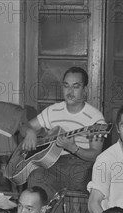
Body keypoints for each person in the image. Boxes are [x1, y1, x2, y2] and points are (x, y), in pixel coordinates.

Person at [20, 66, 106, 200]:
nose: (70, 91)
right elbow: (25, 126)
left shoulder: (96, 118)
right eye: (66, 86)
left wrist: (73, 148)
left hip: (80, 165)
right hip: (51, 163)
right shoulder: (53, 111)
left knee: (80, 177)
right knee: (35, 177)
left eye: (76, 86)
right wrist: (30, 132)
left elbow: (95, 154)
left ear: (85, 90)